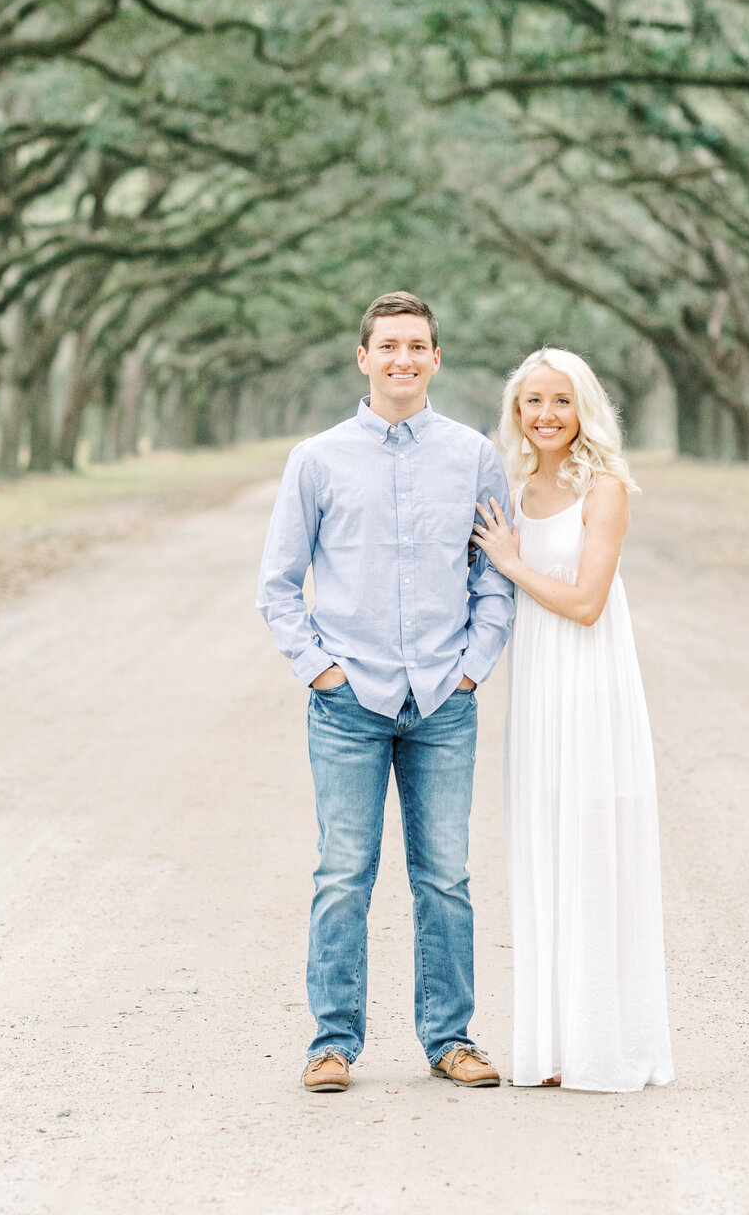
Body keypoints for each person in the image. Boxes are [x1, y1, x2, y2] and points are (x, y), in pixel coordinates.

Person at [256, 291, 516, 1094]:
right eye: (389, 346)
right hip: (348, 703)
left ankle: (451, 1040)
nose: (403, 359)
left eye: (418, 346)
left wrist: (473, 666)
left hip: (443, 698)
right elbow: (277, 585)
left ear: (436, 359)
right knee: (344, 873)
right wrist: (322, 670)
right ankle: (332, 1043)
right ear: (363, 358)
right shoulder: (318, 459)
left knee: (445, 876)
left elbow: (494, 577)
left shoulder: (473, 455)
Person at [471, 347, 673, 1093]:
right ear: (516, 413)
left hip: (590, 687)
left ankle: (602, 1045)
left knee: (589, 848)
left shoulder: (606, 488)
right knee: (541, 849)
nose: (547, 415)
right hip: (536, 692)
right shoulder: (514, 489)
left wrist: (512, 561)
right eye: (533, 402)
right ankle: (552, 1047)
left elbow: (587, 602)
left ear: (584, 407)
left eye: (561, 400)